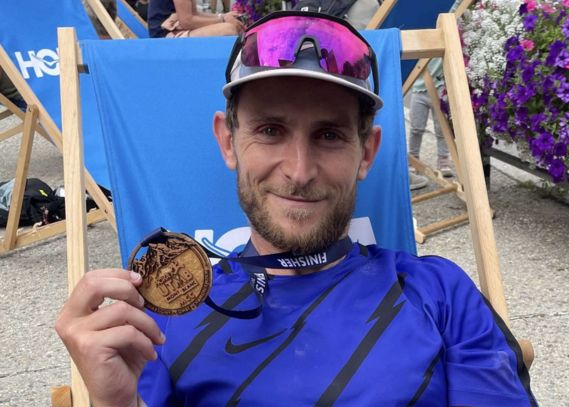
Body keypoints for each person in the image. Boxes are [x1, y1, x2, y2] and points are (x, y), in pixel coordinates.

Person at [55, 11, 537, 407]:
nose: (299, 170)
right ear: (228, 141)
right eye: (270, 131)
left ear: (367, 152)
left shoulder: (440, 293)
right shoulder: (160, 314)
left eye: (328, 135)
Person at [408, 57, 454, 177]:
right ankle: (413, 159)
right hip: (418, 88)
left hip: (440, 86)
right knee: (416, 128)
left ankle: (443, 160)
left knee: (442, 128)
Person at [147, 0, 244, 38]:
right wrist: (223, 20)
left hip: (174, 29)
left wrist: (222, 16)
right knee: (228, 29)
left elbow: (194, 14)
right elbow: (187, 21)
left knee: (231, 26)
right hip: (163, 37)